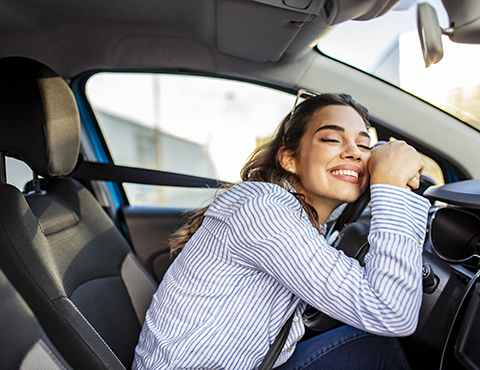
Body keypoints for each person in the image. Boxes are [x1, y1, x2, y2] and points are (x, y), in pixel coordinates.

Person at [132, 92, 430, 370]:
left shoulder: (297, 215)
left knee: (371, 346)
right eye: (331, 139)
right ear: (289, 159)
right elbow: (392, 313)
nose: (354, 152)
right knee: (377, 348)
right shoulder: (265, 209)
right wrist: (389, 184)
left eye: (364, 145)